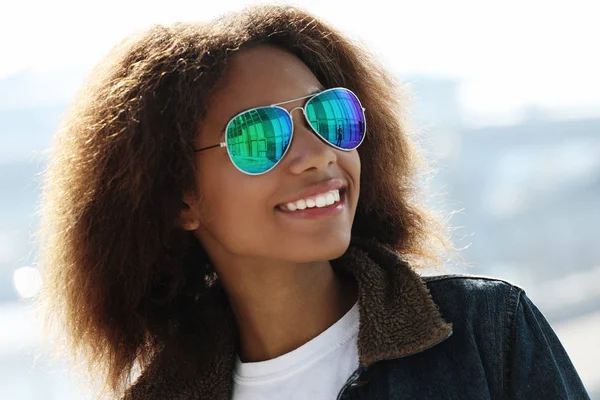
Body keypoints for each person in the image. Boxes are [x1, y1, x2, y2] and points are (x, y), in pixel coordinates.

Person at [36, 5, 590, 400]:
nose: (318, 155)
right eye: (259, 137)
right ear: (181, 200)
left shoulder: (485, 332)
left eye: (329, 117)